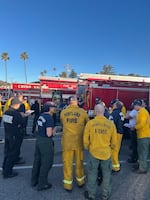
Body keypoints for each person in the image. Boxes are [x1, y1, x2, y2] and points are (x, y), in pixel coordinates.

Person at [83, 104, 117, 200]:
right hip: (106, 153)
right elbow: (114, 141)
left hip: (93, 152)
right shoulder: (110, 124)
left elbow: (85, 139)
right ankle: (105, 195)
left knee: (92, 174)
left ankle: (91, 194)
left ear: (95, 112)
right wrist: (111, 148)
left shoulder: (90, 123)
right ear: (104, 111)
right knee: (107, 175)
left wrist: (87, 147)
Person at [60, 96, 89, 192]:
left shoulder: (63, 112)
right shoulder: (82, 112)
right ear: (77, 102)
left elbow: (62, 123)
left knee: (67, 163)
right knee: (79, 162)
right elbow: (87, 124)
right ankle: (80, 181)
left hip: (67, 142)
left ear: (69, 102)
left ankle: (68, 184)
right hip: (78, 142)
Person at [31, 102, 57, 191]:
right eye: (53, 107)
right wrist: (54, 130)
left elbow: (37, 129)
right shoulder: (49, 118)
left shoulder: (41, 116)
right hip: (46, 141)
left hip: (39, 139)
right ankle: (42, 184)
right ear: (49, 108)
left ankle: (34, 180)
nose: (54, 109)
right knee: (46, 163)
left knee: (37, 161)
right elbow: (49, 134)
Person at [2, 97, 24, 178]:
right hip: (15, 135)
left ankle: (5, 169)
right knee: (13, 154)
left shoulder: (7, 112)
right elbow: (22, 123)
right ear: (17, 105)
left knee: (7, 153)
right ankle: (8, 172)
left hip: (8, 134)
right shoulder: (16, 114)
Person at [132, 99, 150, 174]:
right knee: (141, 152)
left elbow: (142, 124)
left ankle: (142, 168)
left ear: (137, 105)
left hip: (144, 135)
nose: (134, 107)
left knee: (143, 152)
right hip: (142, 135)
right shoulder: (141, 112)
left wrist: (134, 127)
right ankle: (140, 166)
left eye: (134, 106)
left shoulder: (142, 112)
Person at [109, 100, 125, 172]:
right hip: (120, 133)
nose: (113, 105)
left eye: (114, 104)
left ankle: (115, 167)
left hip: (116, 133)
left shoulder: (114, 113)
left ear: (116, 106)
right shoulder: (120, 112)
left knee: (114, 151)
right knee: (116, 150)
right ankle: (115, 166)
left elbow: (111, 124)